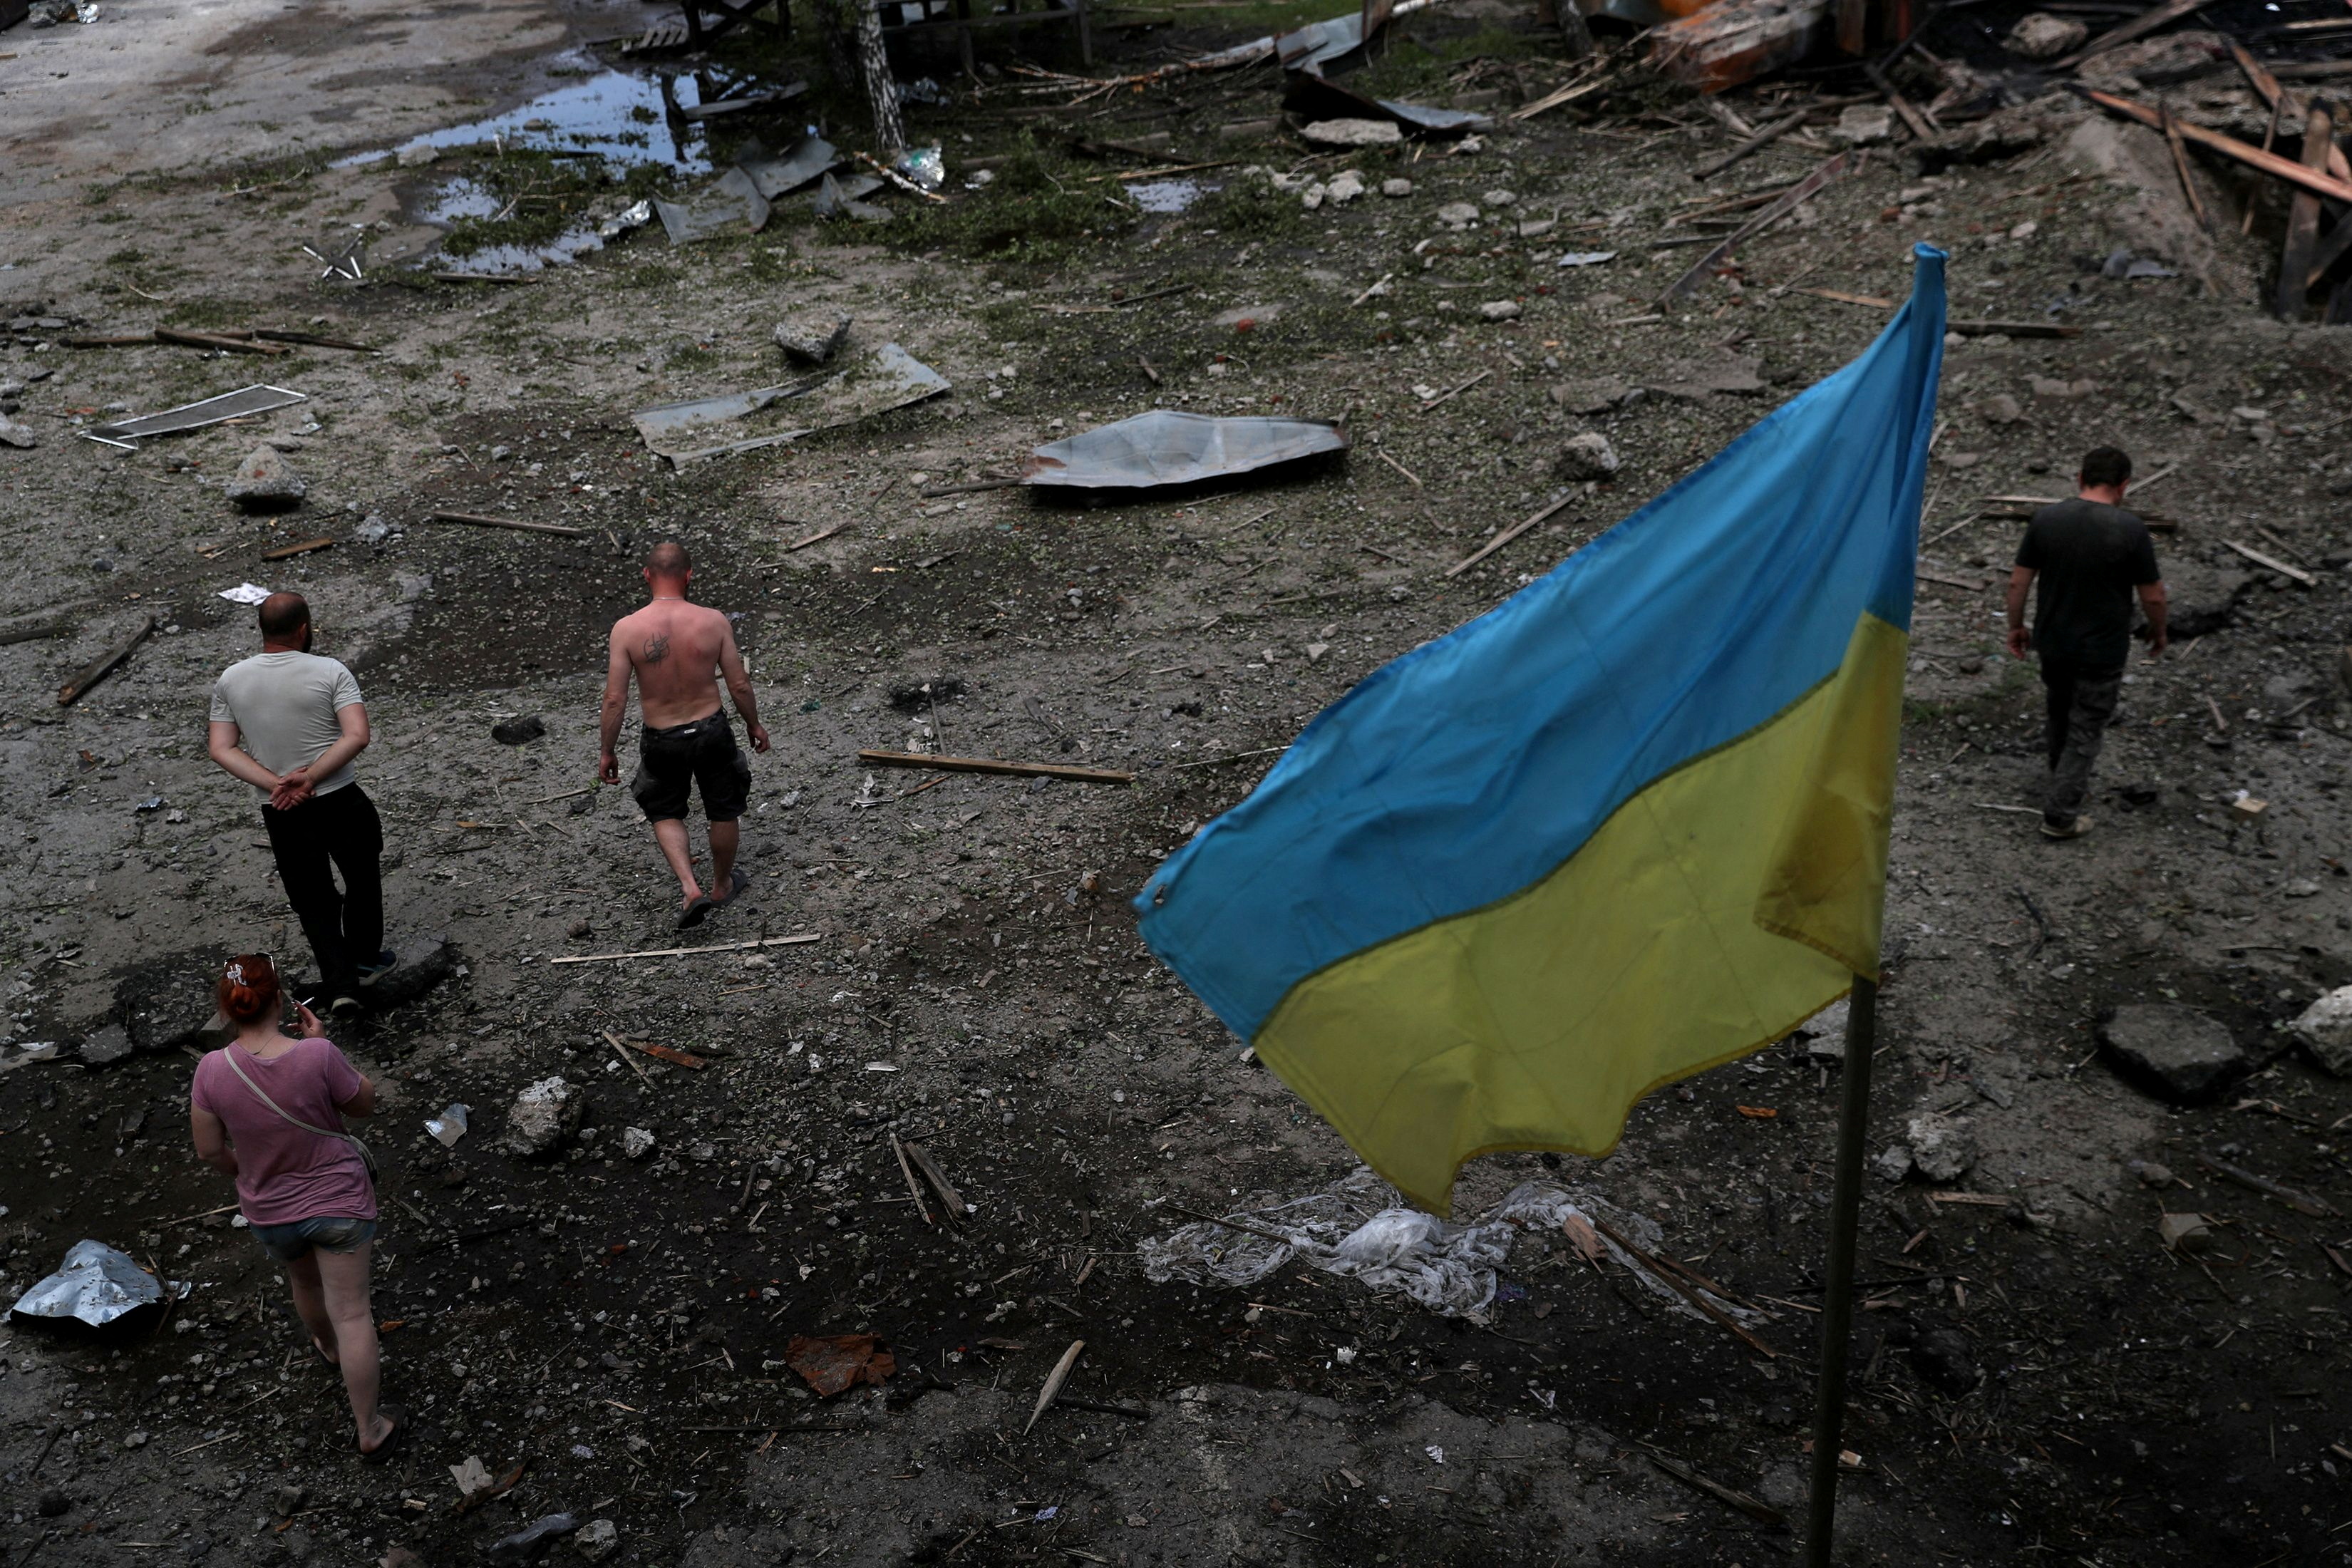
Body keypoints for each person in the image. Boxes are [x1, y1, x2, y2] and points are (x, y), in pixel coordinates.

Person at [188, 953, 400, 1460]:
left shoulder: (211, 1071)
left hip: (271, 1211)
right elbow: (364, 1104)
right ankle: (369, 1428)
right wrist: (322, 1043)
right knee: (353, 1314)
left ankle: (325, 1349)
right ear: (281, 1000)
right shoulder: (317, 1056)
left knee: (305, 1282)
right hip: (339, 1205)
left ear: (227, 1009)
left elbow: (209, 1151)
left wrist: (248, 1172)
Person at [207, 593, 390, 1016]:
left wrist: (279, 785)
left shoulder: (232, 679)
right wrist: (309, 777)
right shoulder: (330, 670)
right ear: (305, 628)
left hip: (282, 810)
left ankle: (341, 983)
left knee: (312, 897)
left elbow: (222, 748)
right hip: (341, 797)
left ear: (262, 630)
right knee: (362, 877)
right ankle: (364, 961)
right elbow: (357, 735)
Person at [599, 541, 770, 927]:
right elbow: (738, 684)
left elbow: (614, 699)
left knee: (664, 809)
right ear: (689, 575)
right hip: (711, 729)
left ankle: (690, 888)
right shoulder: (713, 621)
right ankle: (722, 884)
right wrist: (754, 724)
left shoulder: (627, 629)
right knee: (723, 808)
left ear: (646, 575)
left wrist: (607, 750)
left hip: (663, 737)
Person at [2006, 446, 2167, 840]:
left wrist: (2016, 626)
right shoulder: (2131, 531)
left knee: (2059, 709)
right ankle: (2060, 814)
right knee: (2087, 726)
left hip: (2053, 643)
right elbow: (2154, 596)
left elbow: (2018, 582)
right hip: (2102, 651)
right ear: (2124, 486)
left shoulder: (2046, 519)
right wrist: (2158, 630)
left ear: (2080, 479)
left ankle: (2062, 778)